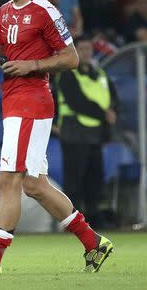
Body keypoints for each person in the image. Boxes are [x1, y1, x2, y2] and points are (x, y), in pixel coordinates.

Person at [0, 0, 113, 277]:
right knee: (35, 185)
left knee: (7, 180)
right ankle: (93, 242)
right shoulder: (4, 13)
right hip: (14, 100)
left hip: (32, 100)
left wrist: (34, 64)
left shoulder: (45, 10)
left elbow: (71, 57)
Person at [55, 35, 118, 228]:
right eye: (81, 49)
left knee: (94, 179)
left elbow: (113, 97)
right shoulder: (66, 74)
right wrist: (104, 114)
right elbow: (77, 102)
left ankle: (93, 218)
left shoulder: (100, 74)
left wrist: (112, 112)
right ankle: (72, 222)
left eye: (88, 49)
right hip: (74, 133)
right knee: (75, 181)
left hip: (95, 135)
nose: (85, 53)